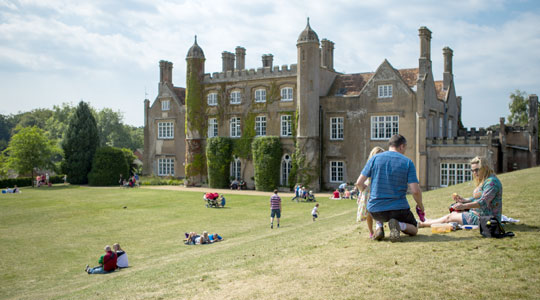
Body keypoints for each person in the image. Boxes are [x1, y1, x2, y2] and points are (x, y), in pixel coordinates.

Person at [355, 134, 424, 242]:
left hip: (375, 210)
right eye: (405, 148)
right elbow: (415, 191)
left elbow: (359, 183)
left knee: (379, 215)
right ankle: (399, 225)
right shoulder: (407, 162)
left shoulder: (374, 159)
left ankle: (379, 227)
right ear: (401, 146)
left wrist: (365, 188)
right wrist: (421, 206)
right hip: (398, 209)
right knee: (414, 229)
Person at [419, 156, 503, 228]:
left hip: (486, 219)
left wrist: (464, 206)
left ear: (485, 168)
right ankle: (430, 221)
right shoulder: (484, 180)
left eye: (477, 170)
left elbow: (483, 202)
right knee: (453, 213)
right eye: (472, 170)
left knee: (450, 217)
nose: (474, 173)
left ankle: (423, 224)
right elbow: (477, 198)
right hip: (479, 215)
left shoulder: (492, 182)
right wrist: (464, 200)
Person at [356, 146, 385, 239]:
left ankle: (372, 232)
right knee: (377, 210)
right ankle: (377, 229)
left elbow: (359, 183)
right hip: (375, 189)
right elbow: (358, 183)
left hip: (368, 189)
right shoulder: (380, 167)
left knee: (369, 213)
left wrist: (362, 188)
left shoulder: (370, 165)